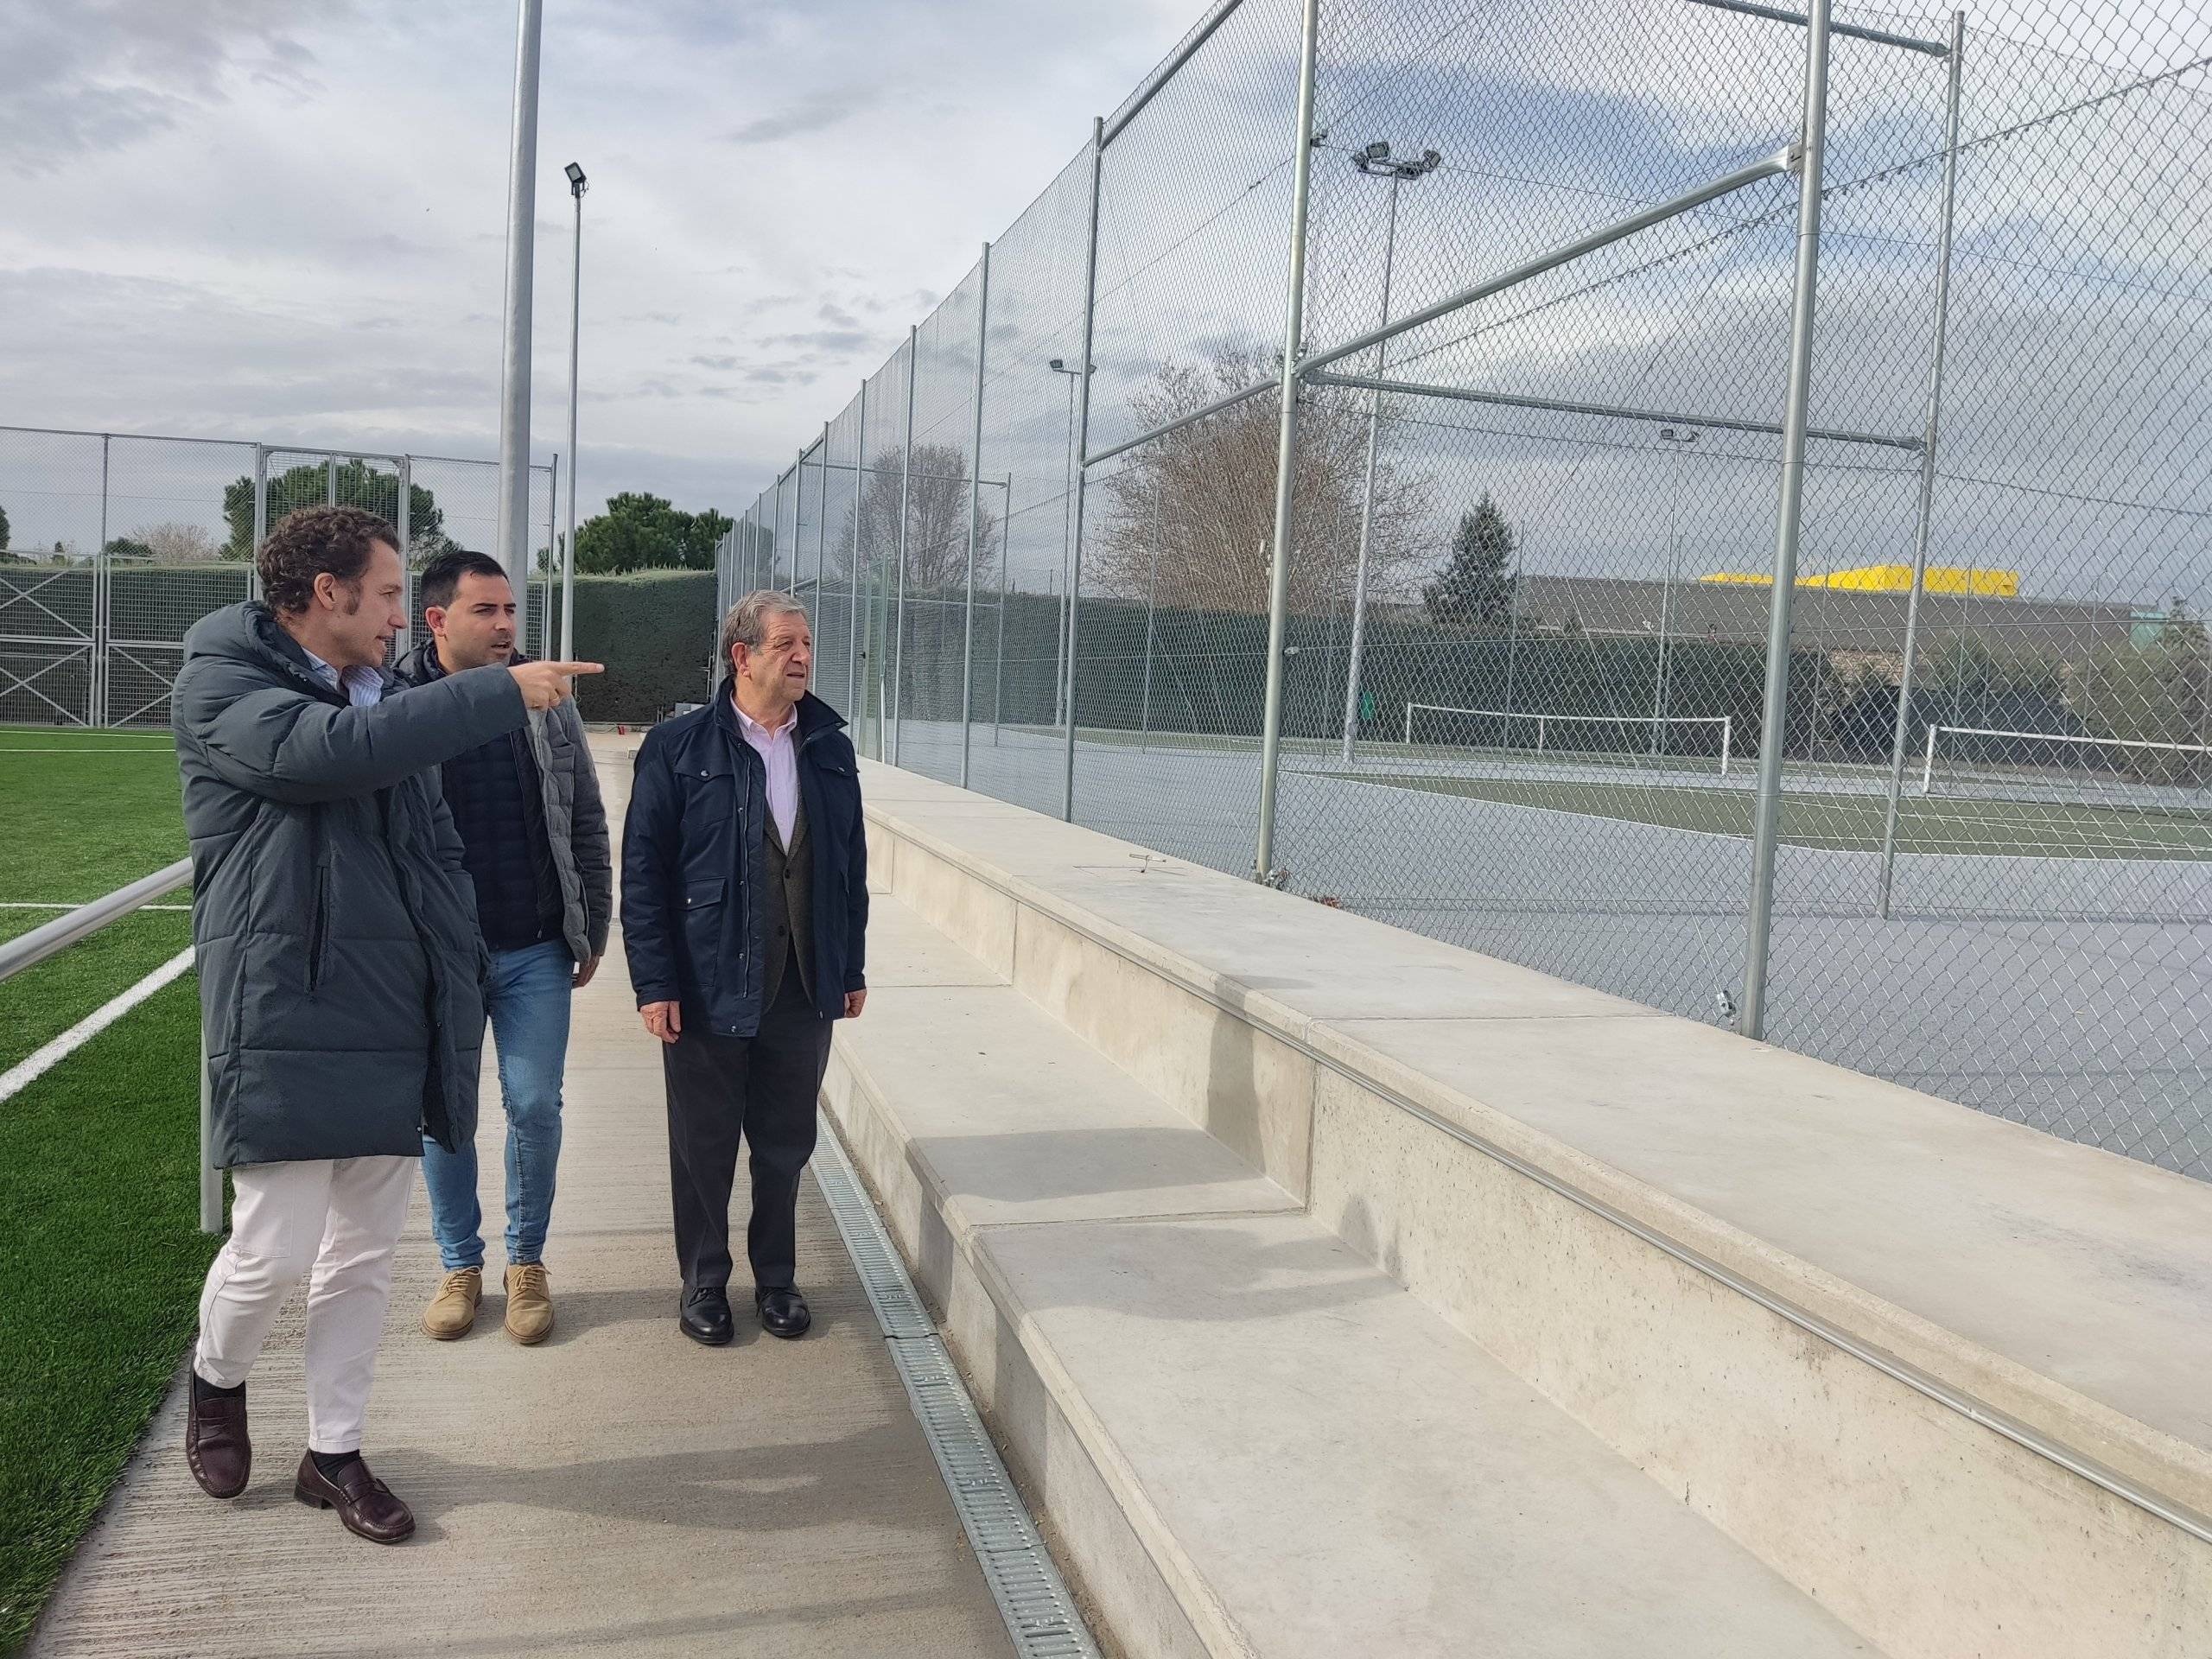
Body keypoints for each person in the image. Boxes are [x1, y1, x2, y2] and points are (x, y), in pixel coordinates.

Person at [173, 504, 599, 1544]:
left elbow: (436, 853)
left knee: (363, 1254)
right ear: (329, 594)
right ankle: (216, 1378)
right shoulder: (225, 682)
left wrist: (454, 973)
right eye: (390, 592)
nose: (400, 614)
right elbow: (324, 755)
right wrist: (495, 691)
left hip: (396, 1009)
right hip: (286, 1006)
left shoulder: (376, 692)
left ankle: (336, 1452)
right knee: (273, 1249)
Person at [621, 590, 868, 1345]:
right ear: (743, 657)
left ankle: (778, 1281)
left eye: (807, 645)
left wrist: (849, 966)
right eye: (787, 645)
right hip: (704, 982)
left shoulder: (828, 745)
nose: (803, 658)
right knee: (703, 1145)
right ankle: (704, 1282)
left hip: (802, 981)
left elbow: (847, 866)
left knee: (785, 1141)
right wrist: (655, 982)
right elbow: (644, 871)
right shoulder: (678, 747)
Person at [398, 550, 611, 1346]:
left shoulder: (546, 698)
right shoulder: (399, 702)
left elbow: (584, 813)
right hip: (439, 953)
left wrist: (592, 925)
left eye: (510, 610)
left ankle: (527, 1263)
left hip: (535, 948)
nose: (504, 625)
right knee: (446, 1114)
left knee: (533, 1106)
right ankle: (459, 1265)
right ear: (436, 620)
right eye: (484, 611)